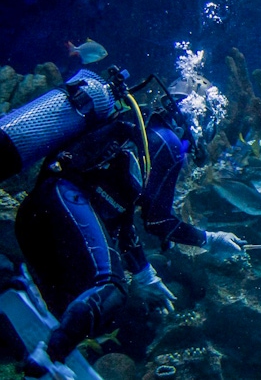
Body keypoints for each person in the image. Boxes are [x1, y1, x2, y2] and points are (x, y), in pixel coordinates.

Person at [11, 70, 245, 377]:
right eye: (209, 121)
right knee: (112, 287)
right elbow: (159, 220)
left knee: (90, 306)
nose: (207, 132)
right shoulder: (168, 142)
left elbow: (121, 216)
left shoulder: (139, 130)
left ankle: (14, 283)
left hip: (40, 212)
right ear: (194, 114)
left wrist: (146, 274)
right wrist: (209, 239)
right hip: (66, 199)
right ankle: (52, 355)